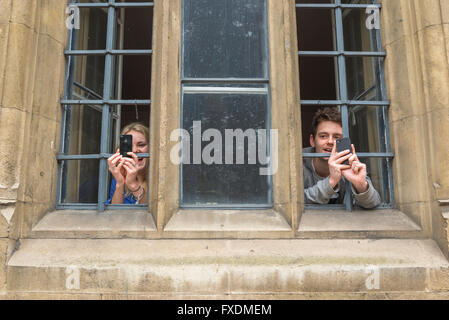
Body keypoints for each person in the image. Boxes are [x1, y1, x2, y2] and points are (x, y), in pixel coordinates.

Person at [303, 107, 381, 209]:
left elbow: (374, 203)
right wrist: (331, 182)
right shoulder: (298, 161)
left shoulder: (349, 162)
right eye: (323, 136)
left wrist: (361, 186)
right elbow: (294, 201)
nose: (330, 142)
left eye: (337, 137)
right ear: (312, 141)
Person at [105, 122, 149, 204]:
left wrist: (133, 185)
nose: (135, 150)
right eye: (129, 146)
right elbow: (115, 213)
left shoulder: (158, 178)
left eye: (141, 145)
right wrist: (120, 183)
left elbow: (152, 213)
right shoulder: (121, 175)